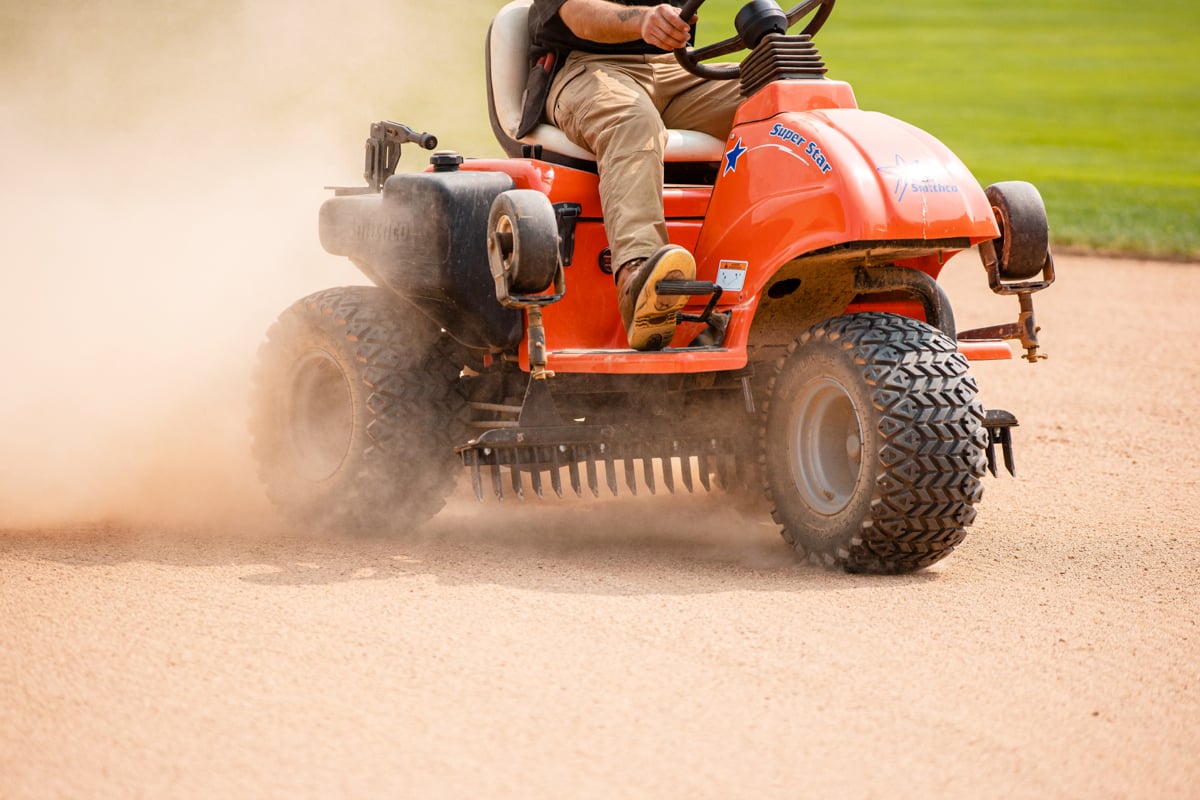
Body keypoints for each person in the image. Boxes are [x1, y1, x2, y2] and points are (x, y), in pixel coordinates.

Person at [522, 0, 742, 350]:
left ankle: (790, 257)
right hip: (586, 66)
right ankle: (638, 280)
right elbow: (576, 13)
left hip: (677, 67)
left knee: (783, 93)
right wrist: (643, 20)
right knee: (631, 120)